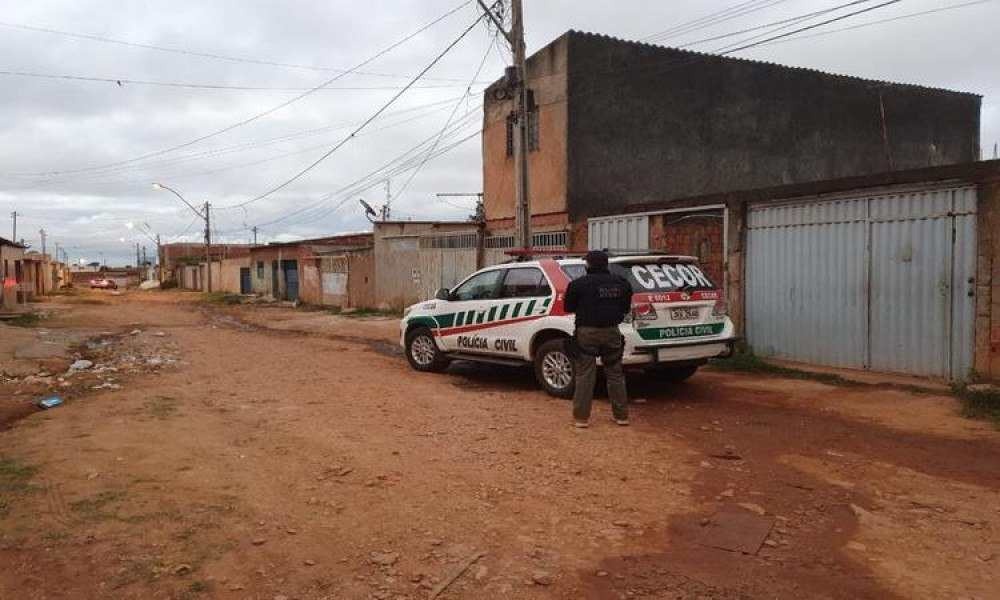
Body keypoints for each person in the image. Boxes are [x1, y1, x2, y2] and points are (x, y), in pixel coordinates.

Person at [563, 250, 633, 428]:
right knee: (615, 374)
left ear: (588, 264)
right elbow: (625, 308)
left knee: (585, 374)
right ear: (606, 264)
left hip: (587, 332)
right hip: (612, 332)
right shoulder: (622, 283)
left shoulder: (578, 284)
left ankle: (581, 419)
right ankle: (622, 416)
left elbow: (568, 307)